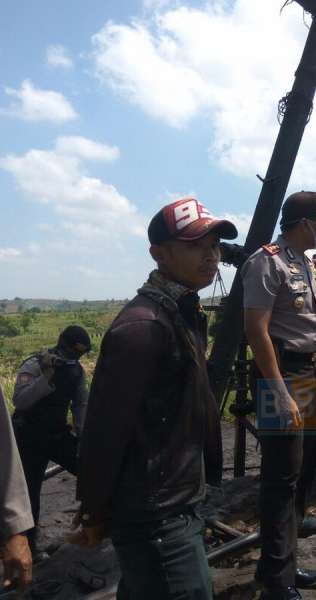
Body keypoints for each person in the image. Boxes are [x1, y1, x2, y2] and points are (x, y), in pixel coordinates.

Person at [71, 197, 237, 599]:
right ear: (159, 254)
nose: (211, 256)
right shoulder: (143, 327)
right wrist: (93, 508)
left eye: (214, 246)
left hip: (175, 500)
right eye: (196, 245)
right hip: (157, 512)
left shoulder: (181, 311)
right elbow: (104, 429)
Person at [242, 191, 316, 600]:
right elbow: (257, 331)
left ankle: (284, 563)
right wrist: (278, 391)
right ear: (304, 223)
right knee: (281, 477)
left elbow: (311, 330)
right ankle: (274, 581)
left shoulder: (307, 264)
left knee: (303, 474)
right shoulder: (266, 262)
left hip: (308, 372)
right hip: (279, 373)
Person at [11, 325, 90, 558]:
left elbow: (80, 404)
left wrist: (84, 437)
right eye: (72, 353)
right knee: (29, 493)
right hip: (29, 437)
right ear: (61, 345)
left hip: (57, 435)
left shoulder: (76, 371)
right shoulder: (34, 366)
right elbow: (21, 401)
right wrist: (46, 377)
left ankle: (99, 524)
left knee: (90, 472)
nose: (73, 359)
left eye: (79, 356)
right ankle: (29, 549)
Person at [1, 389, 34, 593]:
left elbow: (3, 443)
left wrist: (15, 527)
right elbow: (21, 400)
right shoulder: (32, 367)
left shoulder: (71, 371)